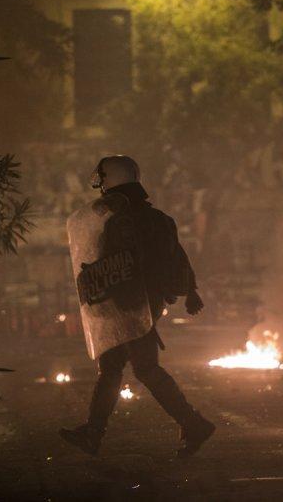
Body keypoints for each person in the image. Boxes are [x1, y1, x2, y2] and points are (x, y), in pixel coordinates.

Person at [60, 155, 215, 457]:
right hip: (146, 302)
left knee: (141, 368)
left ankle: (194, 424)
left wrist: (96, 291)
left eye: (103, 180)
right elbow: (179, 256)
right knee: (118, 367)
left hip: (128, 304)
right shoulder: (158, 219)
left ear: (112, 180)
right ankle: (94, 433)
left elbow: (108, 265)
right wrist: (191, 291)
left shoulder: (119, 223)